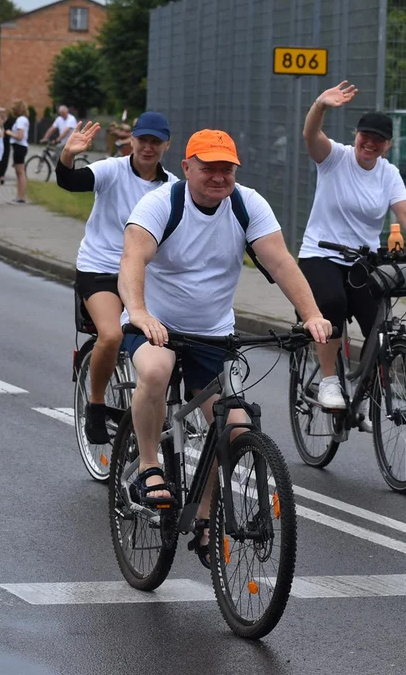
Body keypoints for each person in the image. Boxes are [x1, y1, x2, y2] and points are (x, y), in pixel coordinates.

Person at [119, 129, 331, 562]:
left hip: (213, 333)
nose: (218, 177)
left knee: (234, 427)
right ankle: (147, 464)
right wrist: (139, 312)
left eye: (226, 169)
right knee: (156, 371)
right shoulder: (161, 204)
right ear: (187, 167)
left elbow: (279, 260)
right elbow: (132, 259)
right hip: (155, 324)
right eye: (208, 167)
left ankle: (205, 516)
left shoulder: (246, 204)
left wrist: (310, 314)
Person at [299, 81, 406, 420]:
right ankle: (329, 380)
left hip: (362, 259)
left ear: (388, 145)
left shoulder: (388, 173)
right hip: (321, 252)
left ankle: (373, 389)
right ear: (356, 135)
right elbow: (310, 136)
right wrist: (320, 104)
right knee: (332, 303)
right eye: (366, 136)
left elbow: (404, 209)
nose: (370, 143)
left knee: (380, 323)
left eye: (379, 139)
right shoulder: (335, 158)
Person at [56, 112, 178, 443]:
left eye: (156, 142)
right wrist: (68, 154)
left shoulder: (171, 187)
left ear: (166, 145)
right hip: (101, 268)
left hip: (143, 273)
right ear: (132, 141)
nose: (148, 148)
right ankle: (96, 404)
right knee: (110, 335)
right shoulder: (113, 170)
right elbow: (69, 181)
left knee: (172, 340)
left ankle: (160, 404)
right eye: (143, 140)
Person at [7, 100, 30, 204]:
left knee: (20, 173)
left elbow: (20, 136)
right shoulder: (24, 119)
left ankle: (21, 197)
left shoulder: (20, 120)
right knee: (19, 172)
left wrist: (9, 132)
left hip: (19, 147)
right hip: (20, 147)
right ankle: (19, 196)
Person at [0, 106, 12, 184]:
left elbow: (9, 130)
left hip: (6, 142)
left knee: (5, 158)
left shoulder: (8, 121)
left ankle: (2, 175)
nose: (2, 114)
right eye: (0, 112)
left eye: (3, 112)